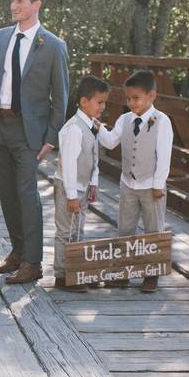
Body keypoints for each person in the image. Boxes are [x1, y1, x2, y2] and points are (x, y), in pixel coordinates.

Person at [0, 0, 69, 285]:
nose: (13, 6)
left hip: (29, 132)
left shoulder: (53, 46)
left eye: (20, 1)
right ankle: (17, 253)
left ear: (36, 5)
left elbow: (61, 98)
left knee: (27, 195)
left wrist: (51, 138)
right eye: (12, 0)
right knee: (6, 194)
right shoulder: (0, 37)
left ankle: (33, 262)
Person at [97, 69, 174, 293]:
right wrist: (98, 126)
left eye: (136, 98)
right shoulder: (124, 119)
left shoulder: (162, 121)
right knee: (125, 229)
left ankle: (152, 274)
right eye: (128, 99)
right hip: (128, 183)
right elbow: (111, 142)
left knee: (153, 230)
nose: (132, 103)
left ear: (152, 96)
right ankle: (123, 272)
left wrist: (159, 184)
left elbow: (164, 155)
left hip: (151, 185)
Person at [52, 75, 108, 292]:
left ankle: (77, 270)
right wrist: (72, 195)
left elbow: (94, 155)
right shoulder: (75, 128)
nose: (103, 107)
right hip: (69, 187)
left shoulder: (91, 125)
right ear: (84, 101)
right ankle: (62, 274)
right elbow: (68, 164)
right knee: (65, 231)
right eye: (99, 102)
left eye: (105, 102)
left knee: (78, 230)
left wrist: (93, 182)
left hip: (82, 186)